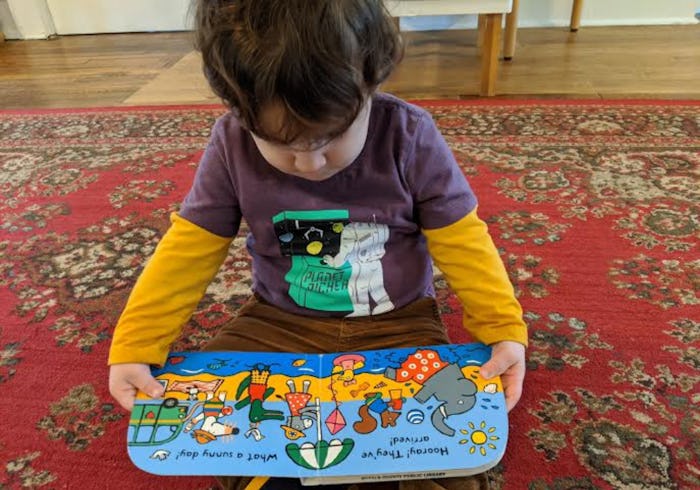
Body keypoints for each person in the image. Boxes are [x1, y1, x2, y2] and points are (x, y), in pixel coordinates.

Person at [108, 1, 527, 489]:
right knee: (214, 430)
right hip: (277, 324)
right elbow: (187, 250)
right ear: (236, 107)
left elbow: (463, 241)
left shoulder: (409, 135)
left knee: (452, 452)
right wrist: (137, 345)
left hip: (398, 325)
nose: (309, 165)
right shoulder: (230, 144)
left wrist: (502, 328)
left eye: (331, 137)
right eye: (280, 143)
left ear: (372, 80)